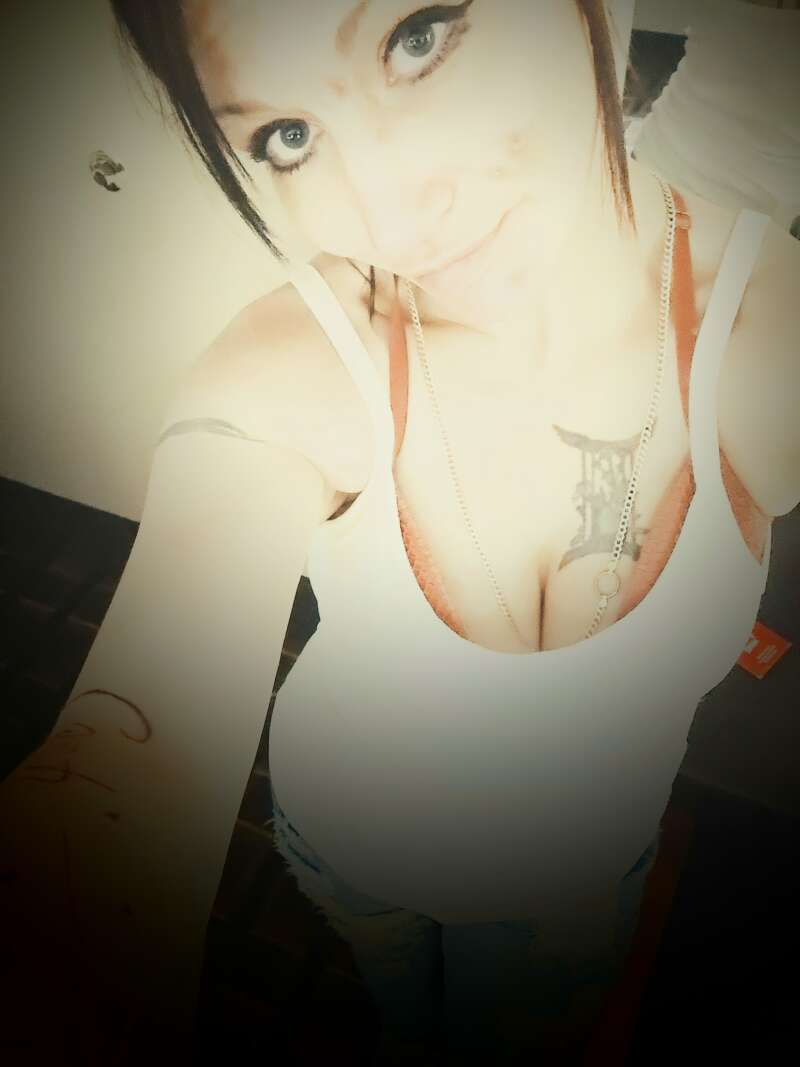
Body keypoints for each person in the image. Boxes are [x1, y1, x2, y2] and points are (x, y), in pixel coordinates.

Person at [1, 1, 798, 1064]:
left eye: (416, 35)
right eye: (287, 135)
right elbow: (128, 755)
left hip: (576, 884)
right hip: (346, 848)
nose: (383, 212)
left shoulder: (767, 334)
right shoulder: (298, 366)